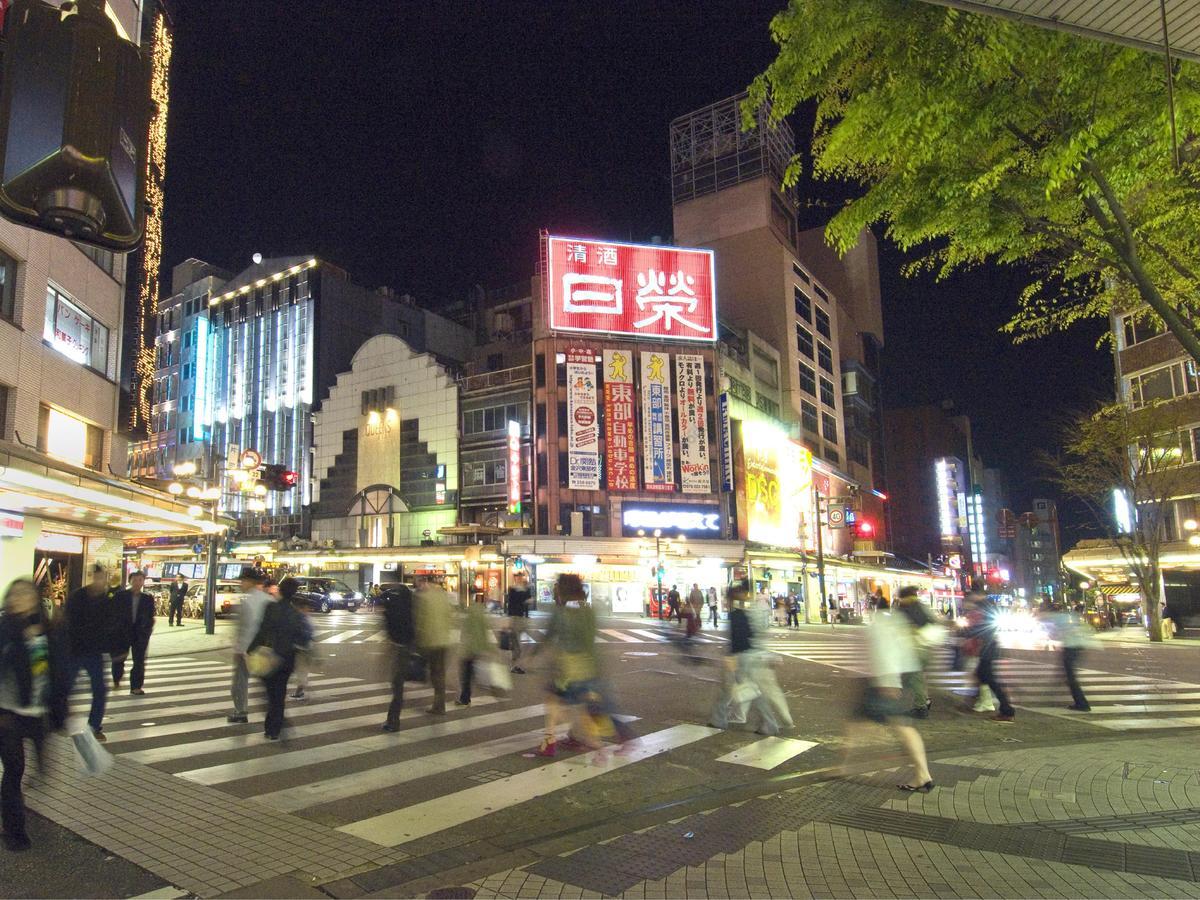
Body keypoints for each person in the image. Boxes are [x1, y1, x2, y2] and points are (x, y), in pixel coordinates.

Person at [0, 579, 69, 852]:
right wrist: (21, 639)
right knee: (14, 770)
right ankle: (15, 832)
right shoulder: (4, 628)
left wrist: (62, 710)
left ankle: (8, 803)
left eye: (26, 594)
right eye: (16, 595)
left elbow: (58, 671)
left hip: (37, 712)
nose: (21, 599)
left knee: (43, 769)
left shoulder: (48, 628)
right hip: (8, 714)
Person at [842, 596, 934, 793]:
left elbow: (886, 654)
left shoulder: (882, 626)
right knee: (859, 723)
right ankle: (844, 766)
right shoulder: (896, 624)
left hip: (882, 682)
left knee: (900, 726)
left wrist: (889, 683)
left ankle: (922, 774)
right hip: (883, 681)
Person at [710, 582, 788, 734]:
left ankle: (720, 720)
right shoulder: (744, 613)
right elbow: (751, 635)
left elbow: (737, 639)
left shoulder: (736, 614)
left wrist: (731, 657)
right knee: (748, 691)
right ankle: (768, 724)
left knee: (736, 691)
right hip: (748, 655)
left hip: (740, 657)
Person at [248, 577, 307, 740]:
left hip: (270, 655)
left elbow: (262, 630)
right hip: (287, 658)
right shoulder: (296, 613)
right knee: (279, 694)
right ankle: (275, 728)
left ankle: (271, 726)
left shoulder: (271, 607)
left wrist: (251, 649)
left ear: (280, 591)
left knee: (270, 693)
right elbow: (302, 638)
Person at [64, 564, 115, 741]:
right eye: (97, 577)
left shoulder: (108, 599)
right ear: (92, 577)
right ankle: (59, 716)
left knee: (100, 689)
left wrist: (115, 649)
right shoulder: (78, 596)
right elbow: (67, 621)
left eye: (103, 578)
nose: (100, 581)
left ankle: (95, 725)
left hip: (95, 652)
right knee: (66, 686)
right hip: (75, 650)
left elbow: (112, 625)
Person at [962, 582, 1015, 723]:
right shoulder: (987, 605)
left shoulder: (984, 606)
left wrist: (967, 632)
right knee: (982, 675)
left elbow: (982, 627)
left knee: (989, 678)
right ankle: (982, 701)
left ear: (977, 594)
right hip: (987, 646)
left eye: (973, 594)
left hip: (987, 646)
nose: (971, 597)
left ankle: (1006, 709)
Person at [227, 567, 272, 725]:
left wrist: (239, 648)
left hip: (246, 649)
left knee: (240, 682)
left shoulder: (246, 601)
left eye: (243, 581)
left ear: (249, 582)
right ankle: (273, 710)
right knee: (266, 682)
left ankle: (241, 711)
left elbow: (243, 628)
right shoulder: (268, 599)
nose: (241, 584)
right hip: (266, 648)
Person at [895, 586, 939, 718]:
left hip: (914, 649)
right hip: (924, 647)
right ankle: (924, 701)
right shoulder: (921, 606)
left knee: (914, 678)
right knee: (914, 677)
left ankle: (921, 707)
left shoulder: (905, 608)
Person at [112, 571, 155, 696]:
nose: (137, 583)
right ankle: (117, 677)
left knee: (139, 660)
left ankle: (136, 686)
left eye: (140, 580)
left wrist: (148, 630)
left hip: (140, 634)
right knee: (119, 658)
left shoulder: (147, 598)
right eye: (135, 580)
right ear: (130, 581)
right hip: (122, 632)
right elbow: (113, 613)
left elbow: (150, 616)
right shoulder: (120, 596)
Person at [380, 584, 416, 732]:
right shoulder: (410, 611)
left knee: (397, 687)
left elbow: (389, 631)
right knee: (398, 687)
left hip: (397, 650)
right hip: (407, 649)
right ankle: (393, 719)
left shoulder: (392, 612)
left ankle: (393, 721)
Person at [1046, 601, 1093, 711]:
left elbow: (1055, 633)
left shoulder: (1057, 619)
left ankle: (1082, 704)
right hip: (1075, 647)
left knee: (1070, 677)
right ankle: (1079, 701)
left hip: (1071, 647)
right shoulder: (1065, 617)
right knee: (1067, 675)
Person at [415, 578, 452, 715]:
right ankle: (440, 704)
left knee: (434, 673)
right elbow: (449, 617)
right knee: (439, 674)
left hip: (430, 640)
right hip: (443, 640)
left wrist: (418, 639)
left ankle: (438, 706)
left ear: (425, 583)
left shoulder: (423, 598)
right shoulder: (443, 597)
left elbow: (419, 620)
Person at [457, 595, 492, 707]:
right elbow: (485, 632)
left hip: (470, 648)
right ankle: (466, 697)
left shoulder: (471, 613)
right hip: (478, 648)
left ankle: (465, 698)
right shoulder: (482, 614)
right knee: (471, 672)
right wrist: (487, 648)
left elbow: (466, 631)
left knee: (466, 674)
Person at [290, 590, 315, 700]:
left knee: (301, 670)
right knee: (302, 670)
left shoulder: (302, 619)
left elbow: (306, 635)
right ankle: (300, 689)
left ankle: (300, 691)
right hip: (306, 648)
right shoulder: (306, 619)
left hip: (302, 648)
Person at [505, 574, 531, 674]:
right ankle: (514, 666)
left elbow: (527, 600)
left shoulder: (521, 589)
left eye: (521, 577)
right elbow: (515, 602)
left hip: (519, 618)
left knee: (516, 644)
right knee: (517, 645)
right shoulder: (514, 589)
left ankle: (514, 665)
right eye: (518, 577)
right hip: (515, 618)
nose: (520, 579)